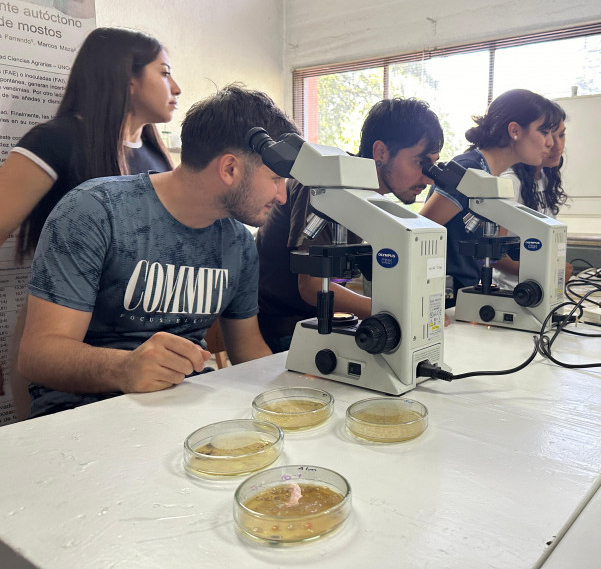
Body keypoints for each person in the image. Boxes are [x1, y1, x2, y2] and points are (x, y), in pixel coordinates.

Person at [16, 84, 294, 417]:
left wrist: (296, 394)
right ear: (230, 169)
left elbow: (249, 350)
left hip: (184, 412)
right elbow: (36, 355)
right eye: (277, 179)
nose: (283, 197)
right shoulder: (94, 211)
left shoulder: (237, 243)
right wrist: (124, 368)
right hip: (80, 414)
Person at [256, 97, 443, 352]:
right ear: (381, 152)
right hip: (286, 330)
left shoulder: (366, 197)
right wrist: (398, 313)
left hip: (330, 321)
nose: (429, 179)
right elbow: (311, 287)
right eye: (421, 163)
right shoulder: (326, 180)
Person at [0, 27, 181, 264]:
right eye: (164, 74)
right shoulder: (54, 141)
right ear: (128, 78)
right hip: (64, 300)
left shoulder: (157, 157)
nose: (176, 88)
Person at [420, 89, 564, 304]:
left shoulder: (496, 179)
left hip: (468, 295)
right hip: (443, 299)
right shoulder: (468, 170)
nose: (551, 143)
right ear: (514, 130)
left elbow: (497, 248)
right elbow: (415, 234)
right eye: (544, 132)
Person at [493, 113, 571, 290]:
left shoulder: (544, 177)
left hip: (541, 289)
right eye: (547, 134)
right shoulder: (510, 182)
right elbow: (492, 257)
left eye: (561, 135)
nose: (556, 145)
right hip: (512, 291)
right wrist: (547, 272)